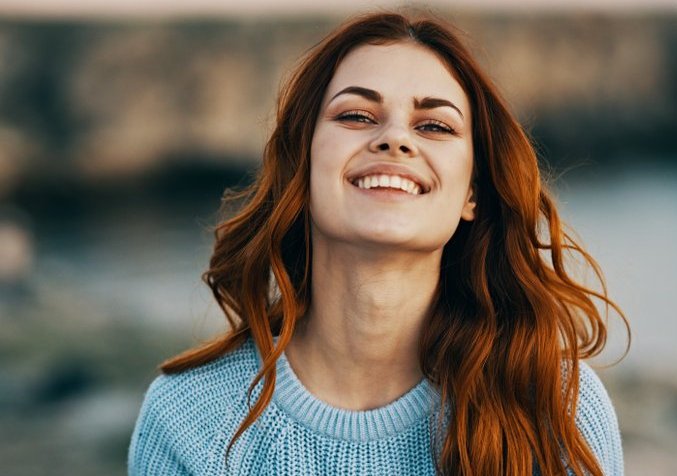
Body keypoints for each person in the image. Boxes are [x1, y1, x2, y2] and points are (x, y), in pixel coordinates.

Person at [128, 10, 628, 476]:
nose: (395, 139)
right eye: (356, 116)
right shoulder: (188, 418)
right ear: (302, 165)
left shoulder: (555, 406)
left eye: (434, 125)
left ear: (472, 192)